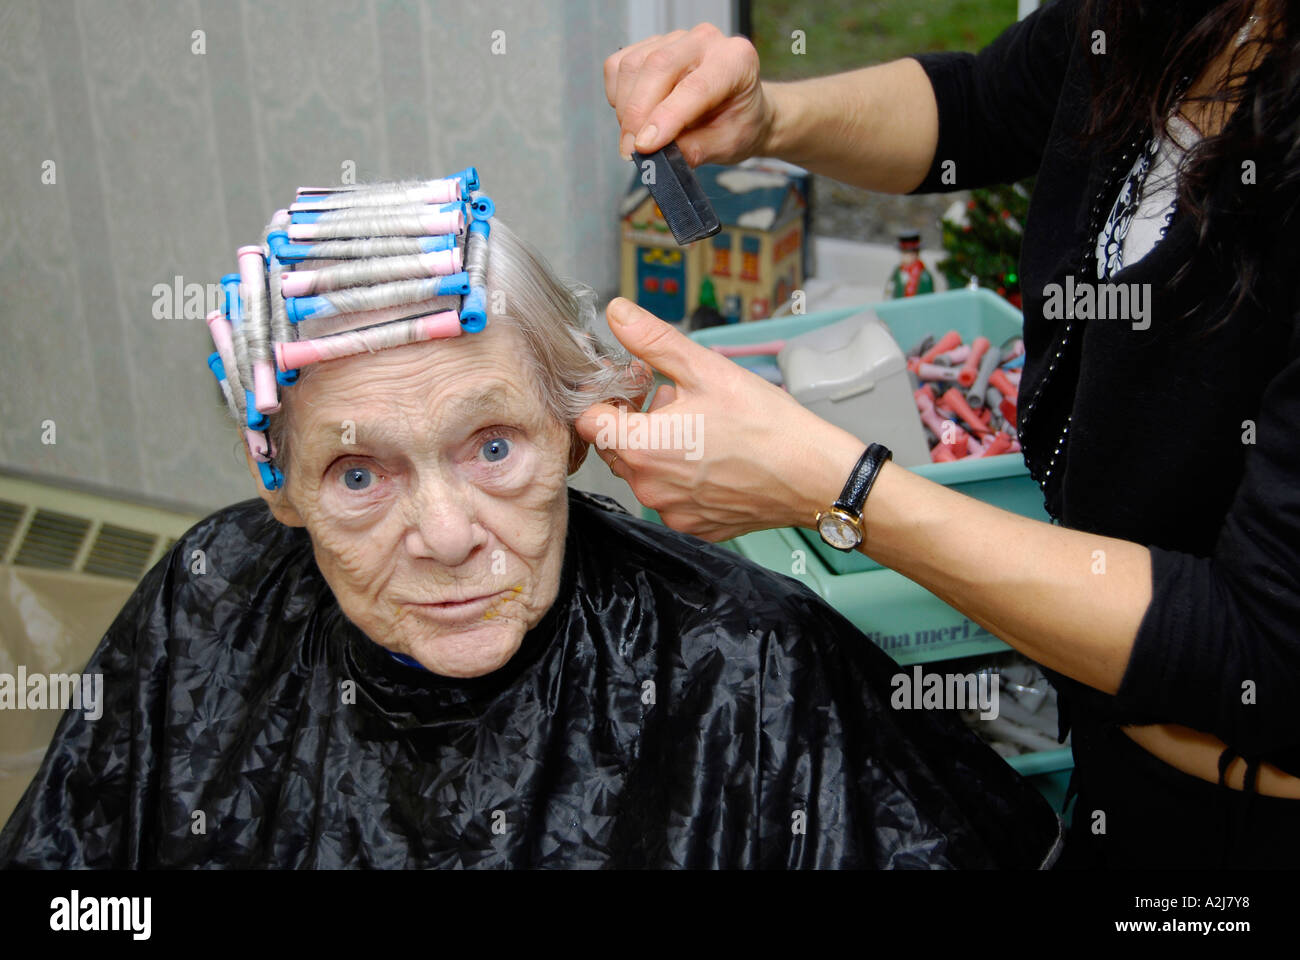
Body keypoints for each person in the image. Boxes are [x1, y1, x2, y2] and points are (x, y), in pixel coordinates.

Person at [0, 188, 1063, 869]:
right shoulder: (208, 597)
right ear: (278, 485)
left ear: (575, 433)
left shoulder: (748, 659)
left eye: (493, 446)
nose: (447, 534)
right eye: (359, 471)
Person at [592, 0, 1300, 868]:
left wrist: (839, 490)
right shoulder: (1148, 20)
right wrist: (771, 115)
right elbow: (982, 106)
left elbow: (1262, 646)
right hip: (1118, 756)